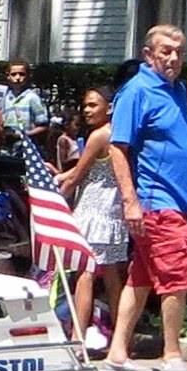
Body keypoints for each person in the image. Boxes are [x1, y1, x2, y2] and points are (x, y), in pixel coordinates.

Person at [102, 25, 187, 371]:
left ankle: (116, 354)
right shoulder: (137, 91)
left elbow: (180, 150)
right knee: (177, 277)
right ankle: (171, 354)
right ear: (148, 54)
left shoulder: (178, 91)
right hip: (154, 203)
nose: (173, 58)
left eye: (179, 52)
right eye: (165, 51)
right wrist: (131, 202)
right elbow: (118, 147)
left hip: (178, 202)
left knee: (141, 279)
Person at [55, 86, 127, 351]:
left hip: (93, 211)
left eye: (93, 105)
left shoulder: (98, 136)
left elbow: (77, 176)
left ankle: (77, 337)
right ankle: (122, 336)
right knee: (111, 275)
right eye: (85, 105)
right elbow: (86, 167)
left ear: (108, 107)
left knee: (84, 274)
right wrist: (62, 175)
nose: (86, 110)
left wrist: (57, 199)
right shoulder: (119, 133)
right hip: (113, 211)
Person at [2, 59, 49, 147]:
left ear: (28, 76)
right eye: (13, 74)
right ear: (8, 76)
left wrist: (23, 135)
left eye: (22, 74)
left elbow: (44, 126)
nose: (18, 77)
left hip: (26, 148)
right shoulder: (6, 98)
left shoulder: (32, 98)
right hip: (7, 149)